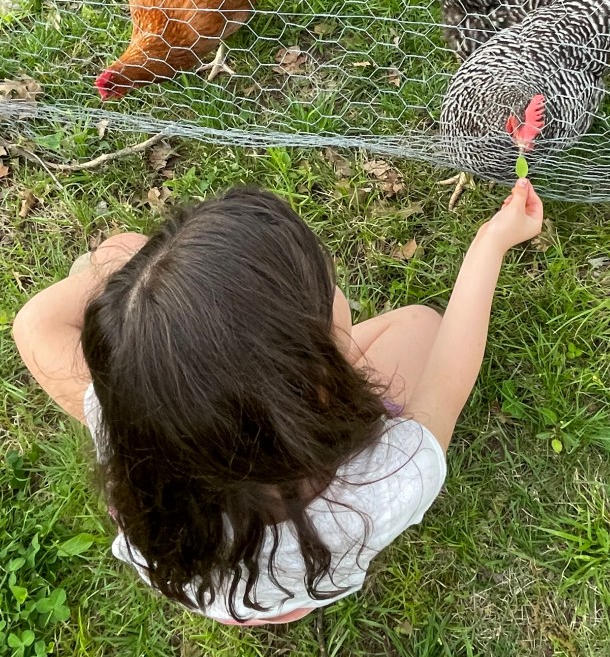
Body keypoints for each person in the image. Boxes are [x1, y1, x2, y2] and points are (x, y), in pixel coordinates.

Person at [13, 178, 543, 625]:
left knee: (123, 251)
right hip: (302, 579)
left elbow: (32, 326)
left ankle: (124, 272)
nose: (333, 293)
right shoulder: (382, 486)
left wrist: (133, 282)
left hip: (228, 595)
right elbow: (448, 375)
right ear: (303, 389)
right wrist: (490, 243)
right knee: (421, 327)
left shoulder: (127, 430)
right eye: (323, 298)